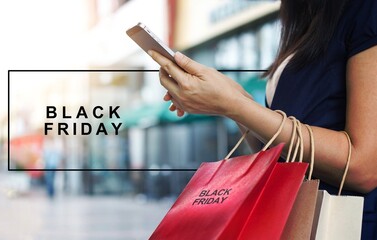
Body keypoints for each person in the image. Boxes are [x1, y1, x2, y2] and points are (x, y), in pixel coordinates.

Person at [148, 0, 377, 238]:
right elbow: (279, 152)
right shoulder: (306, 21)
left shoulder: (366, 10)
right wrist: (231, 99)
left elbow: (363, 168)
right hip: (292, 221)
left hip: (345, 226)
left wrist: (235, 104)